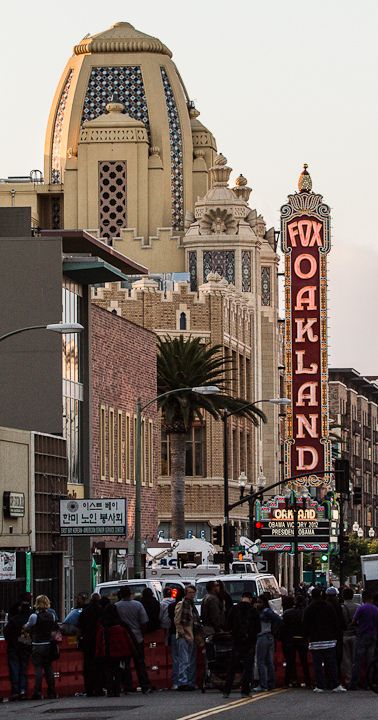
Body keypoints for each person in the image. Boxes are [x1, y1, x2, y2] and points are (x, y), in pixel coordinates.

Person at [303, 587, 346, 693]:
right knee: (331, 663)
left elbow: (305, 624)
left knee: (317, 664)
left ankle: (320, 685)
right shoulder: (328, 606)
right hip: (329, 639)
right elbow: (335, 621)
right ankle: (335, 683)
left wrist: (307, 636)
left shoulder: (309, 608)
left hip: (315, 640)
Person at [222, 591, 260, 698]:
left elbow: (227, 625)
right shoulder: (253, 611)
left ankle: (227, 690)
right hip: (249, 642)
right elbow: (258, 628)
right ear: (251, 599)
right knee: (247, 667)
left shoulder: (234, 609)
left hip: (236, 641)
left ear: (242, 598)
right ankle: (245, 691)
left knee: (232, 667)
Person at [115, 586, 151, 693]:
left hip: (123, 639)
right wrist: (141, 632)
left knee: (125, 663)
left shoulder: (117, 606)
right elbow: (144, 621)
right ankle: (144, 685)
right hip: (137, 637)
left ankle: (127, 686)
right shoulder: (138, 605)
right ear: (130, 594)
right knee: (140, 662)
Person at [24, 594, 59, 700]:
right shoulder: (51, 615)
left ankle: (37, 692)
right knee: (48, 668)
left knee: (38, 669)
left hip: (37, 645)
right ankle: (52, 691)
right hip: (48, 645)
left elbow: (27, 627)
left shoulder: (34, 616)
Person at [96, 601, 133, 697]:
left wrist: (98, 651)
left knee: (108, 671)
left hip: (106, 651)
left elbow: (99, 639)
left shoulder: (102, 624)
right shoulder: (120, 624)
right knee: (117, 670)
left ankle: (110, 689)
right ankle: (117, 688)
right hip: (119, 652)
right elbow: (126, 639)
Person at [349, 589, 378, 690]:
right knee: (370, 661)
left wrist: (357, 625)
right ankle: (368, 683)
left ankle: (354, 683)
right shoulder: (376, 609)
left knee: (357, 660)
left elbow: (353, 621)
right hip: (373, 636)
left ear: (364, 598)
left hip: (362, 635)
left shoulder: (361, 608)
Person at [175, 584, 202, 691]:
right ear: (186, 593)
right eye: (190, 592)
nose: (192, 595)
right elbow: (177, 621)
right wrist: (182, 633)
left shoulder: (192, 605)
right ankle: (183, 681)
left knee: (190, 661)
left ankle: (189, 681)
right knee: (184, 660)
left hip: (192, 635)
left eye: (193, 593)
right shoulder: (182, 604)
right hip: (184, 636)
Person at [253, 593, 282, 692]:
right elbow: (278, 619)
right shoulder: (268, 611)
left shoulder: (264, 612)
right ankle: (271, 683)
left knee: (261, 661)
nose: (257, 604)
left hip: (262, 636)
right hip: (269, 636)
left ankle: (263, 684)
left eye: (259, 602)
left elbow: (278, 620)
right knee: (269, 661)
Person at [4, 601, 32, 700]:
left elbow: (6, 632)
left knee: (14, 669)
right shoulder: (29, 620)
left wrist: (11, 641)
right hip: (25, 647)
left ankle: (15, 691)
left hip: (13, 647)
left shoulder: (14, 620)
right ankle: (23, 690)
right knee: (23, 670)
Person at [281, 595, 311, 688]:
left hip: (290, 639)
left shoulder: (287, 613)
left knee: (290, 661)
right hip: (302, 639)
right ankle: (308, 682)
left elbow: (283, 627)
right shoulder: (306, 613)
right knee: (304, 662)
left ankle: (288, 681)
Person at [78, 593, 104, 697]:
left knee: (88, 666)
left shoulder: (85, 612)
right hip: (98, 641)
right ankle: (99, 688)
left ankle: (89, 689)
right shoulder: (101, 611)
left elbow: (80, 626)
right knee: (99, 666)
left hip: (87, 641)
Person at [340, 587, 360, 687]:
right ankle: (357, 680)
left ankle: (349, 680)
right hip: (355, 635)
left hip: (344, 635)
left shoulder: (341, 608)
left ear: (343, 596)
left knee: (346, 660)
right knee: (356, 659)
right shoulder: (358, 607)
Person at [168, 586, 184, 690]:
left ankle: (176, 681)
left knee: (175, 658)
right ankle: (183, 679)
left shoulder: (171, 606)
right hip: (182, 632)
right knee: (184, 657)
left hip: (173, 632)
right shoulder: (185, 606)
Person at [325, 587, 345, 671]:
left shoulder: (325, 605)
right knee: (338, 654)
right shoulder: (338, 606)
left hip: (326, 634)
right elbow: (341, 620)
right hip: (337, 634)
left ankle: (328, 673)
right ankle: (337, 672)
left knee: (327, 656)